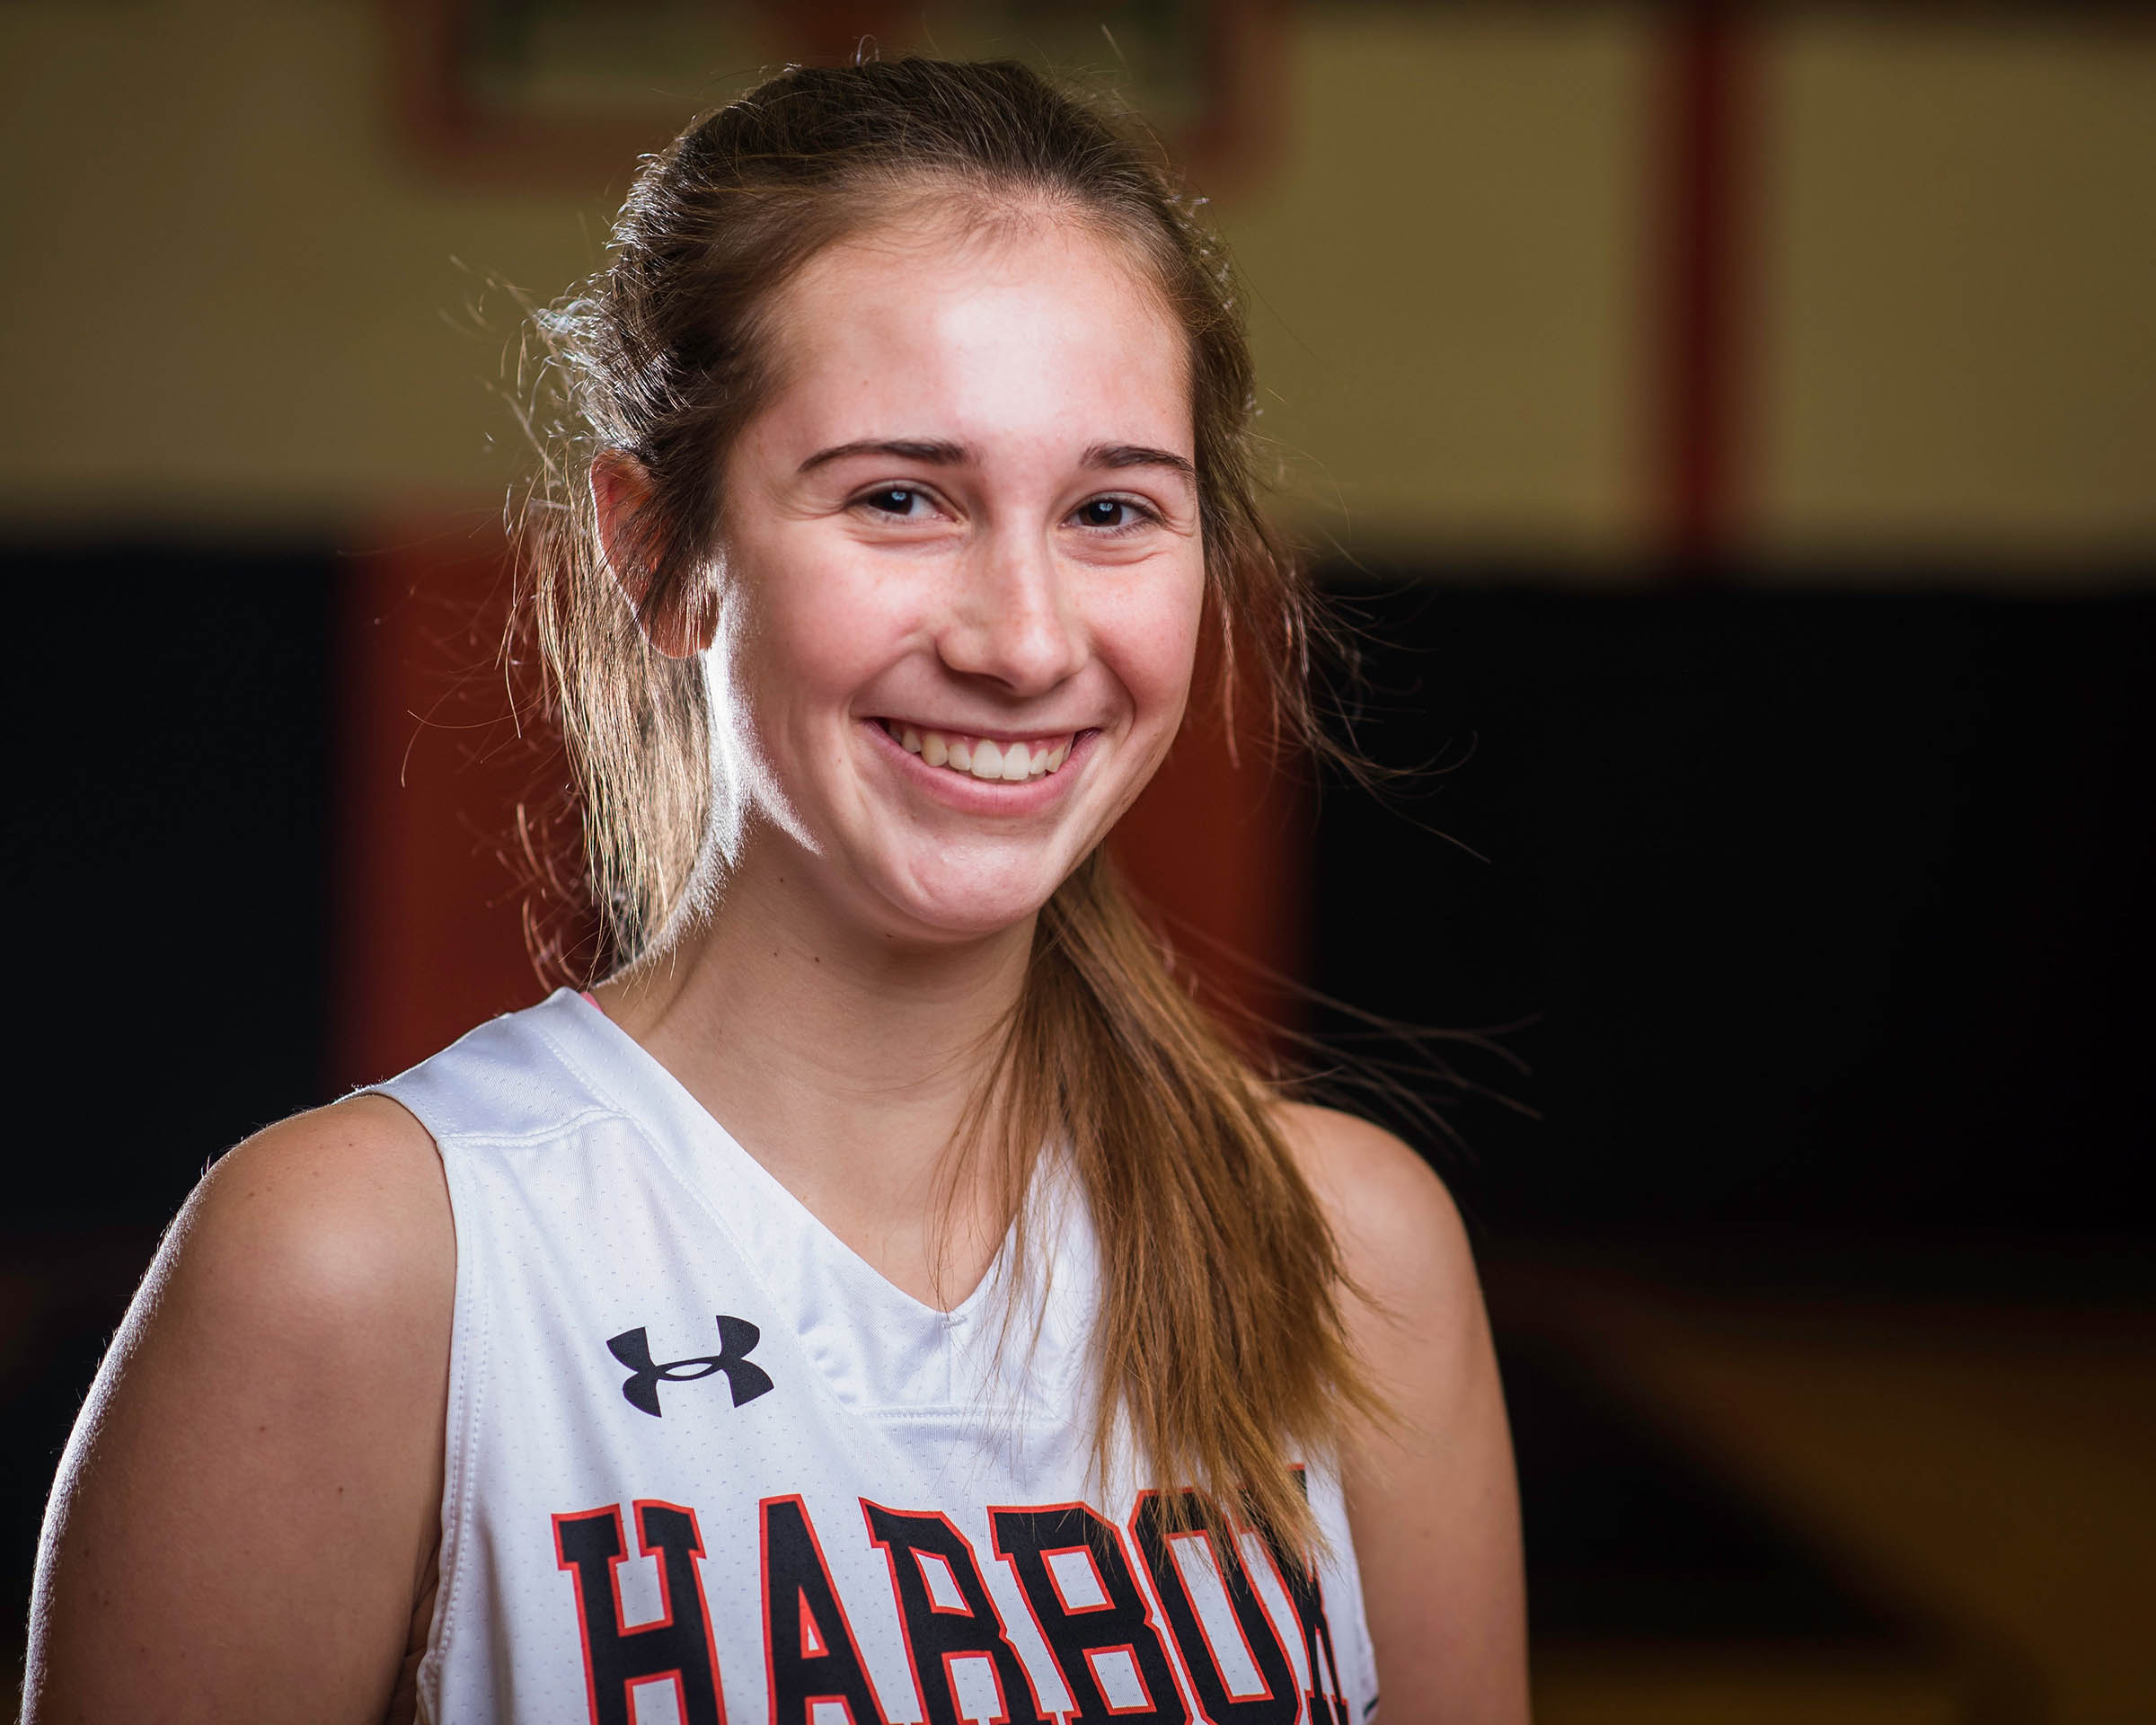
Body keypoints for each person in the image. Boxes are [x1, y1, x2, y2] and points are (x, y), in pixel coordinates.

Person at [25, 58, 1525, 1724]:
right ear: (658, 552)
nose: (1024, 641)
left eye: (1113, 510)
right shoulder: (361, 1265)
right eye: (900, 499)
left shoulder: (1348, 1254)